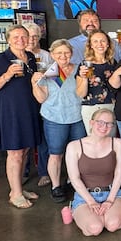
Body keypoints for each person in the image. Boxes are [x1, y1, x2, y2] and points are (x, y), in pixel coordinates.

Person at [0, 24, 41, 209]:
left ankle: (18, 188)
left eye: (24, 36)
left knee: (24, 151)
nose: (20, 40)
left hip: (27, 109)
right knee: (14, 152)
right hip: (9, 111)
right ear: (8, 39)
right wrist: (6, 76)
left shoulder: (30, 57)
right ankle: (15, 194)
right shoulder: (0, 60)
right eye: (16, 37)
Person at [31, 39, 86, 203]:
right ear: (52, 54)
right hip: (54, 117)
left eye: (66, 52)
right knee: (56, 154)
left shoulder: (79, 69)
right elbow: (42, 98)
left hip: (77, 116)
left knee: (78, 154)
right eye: (59, 53)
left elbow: (81, 93)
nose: (63, 56)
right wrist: (34, 84)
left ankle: (73, 181)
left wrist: (84, 78)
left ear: (72, 53)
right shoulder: (47, 71)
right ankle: (56, 186)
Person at [65, 108, 121, 236]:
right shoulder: (74, 146)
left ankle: (103, 215)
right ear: (91, 123)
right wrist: (91, 202)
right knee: (95, 228)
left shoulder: (117, 143)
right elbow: (75, 178)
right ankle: (72, 210)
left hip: (113, 192)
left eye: (109, 124)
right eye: (100, 122)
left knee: (112, 224)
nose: (104, 127)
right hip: (85, 195)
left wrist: (110, 200)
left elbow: (119, 173)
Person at [23, 22, 51, 186]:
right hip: (24, 103)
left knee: (43, 139)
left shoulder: (46, 55)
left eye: (35, 36)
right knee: (25, 138)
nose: (31, 40)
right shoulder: (17, 56)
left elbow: (54, 76)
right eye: (28, 36)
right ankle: (24, 171)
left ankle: (44, 172)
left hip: (43, 101)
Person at [78, 29, 117, 134]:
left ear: (108, 44)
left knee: (110, 141)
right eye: (95, 41)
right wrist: (84, 78)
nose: (99, 44)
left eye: (103, 41)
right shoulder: (84, 64)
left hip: (110, 106)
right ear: (90, 45)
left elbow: (117, 87)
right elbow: (80, 93)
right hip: (91, 108)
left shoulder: (113, 63)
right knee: (94, 143)